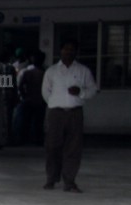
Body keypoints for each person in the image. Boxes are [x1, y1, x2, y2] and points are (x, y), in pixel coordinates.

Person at [42, 39, 98, 192]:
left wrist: (80, 93)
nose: (68, 52)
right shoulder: (52, 71)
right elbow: (45, 92)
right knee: (52, 147)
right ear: (60, 51)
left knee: (73, 148)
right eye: (66, 49)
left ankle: (69, 181)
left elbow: (93, 90)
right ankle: (51, 179)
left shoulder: (83, 71)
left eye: (72, 49)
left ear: (76, 52)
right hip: (56, 113)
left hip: (75, 113)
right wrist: (56, 103)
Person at [13, 49, 46, 146]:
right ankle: (34, 140)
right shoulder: (43, 72)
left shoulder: (26, 71)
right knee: (35, 122)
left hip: (30, 99)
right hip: (38, 100)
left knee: (26, 121)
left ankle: (25, 140)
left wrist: (23, 96)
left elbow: (19, 85)